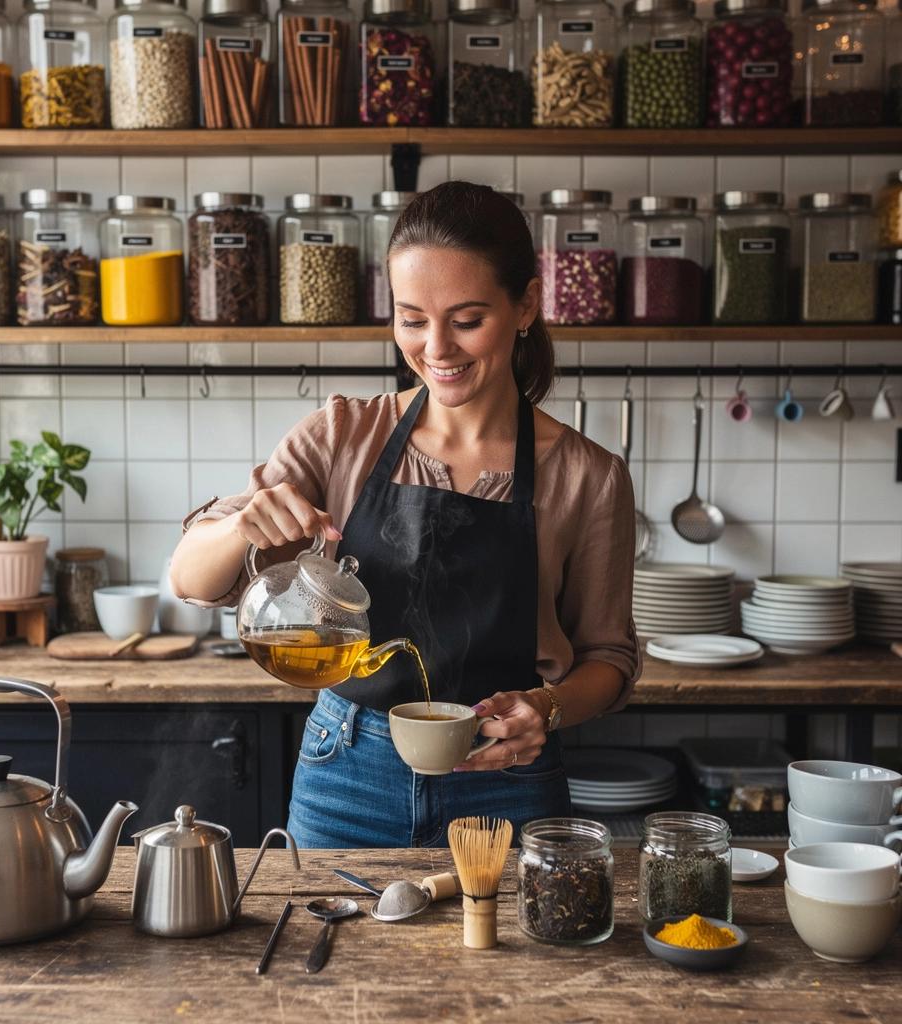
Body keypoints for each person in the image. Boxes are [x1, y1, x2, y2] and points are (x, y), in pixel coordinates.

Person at [171, 181, 641, 848]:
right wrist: (242, 526)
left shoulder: (587, 477)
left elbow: (609, 660)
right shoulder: (341, 435)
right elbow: (191, 578)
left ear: (527, 304)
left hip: (504, 774)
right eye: (412, 319)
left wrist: (548, 707)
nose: (436, 349)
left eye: (467, 319)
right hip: (346, 772)